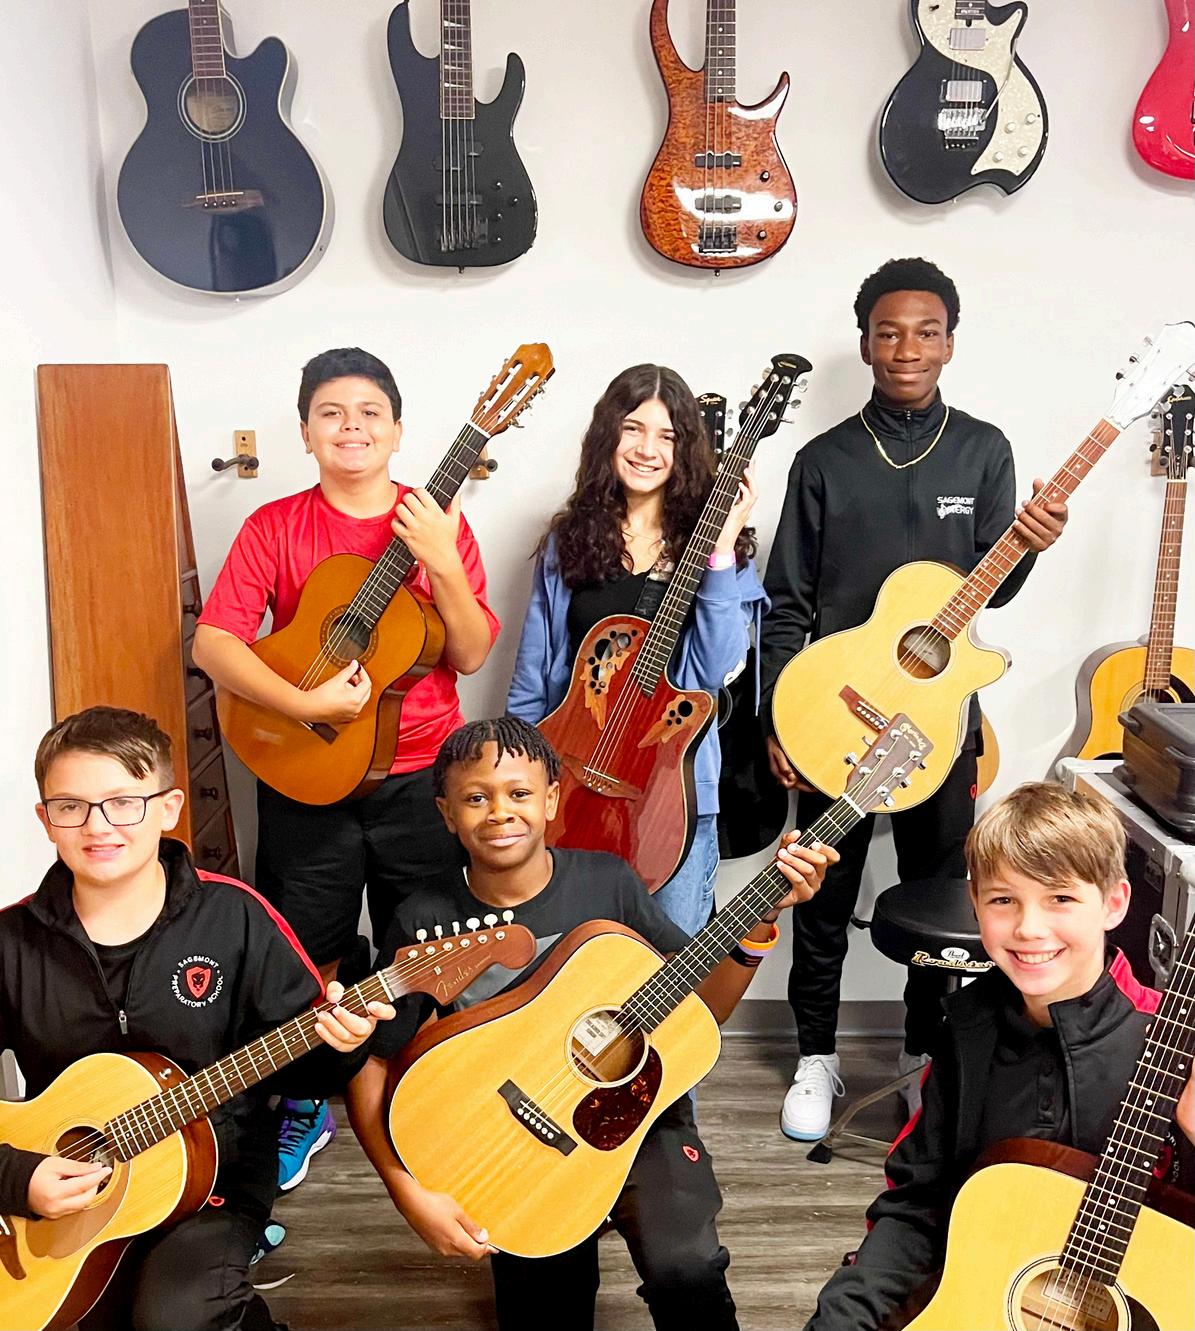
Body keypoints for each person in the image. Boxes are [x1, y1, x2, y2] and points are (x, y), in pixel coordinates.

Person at [346, 716, 837, 1331]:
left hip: (640, 1119)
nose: (500, 812)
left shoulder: (609, 883)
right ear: (446, 813)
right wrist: (406, 1191)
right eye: (475, 798)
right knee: (545, 1311)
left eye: (520, 793)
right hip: (514, 1139)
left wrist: (759, 925)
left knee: (687, 1271)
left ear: (551, 799)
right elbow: (372, 1060)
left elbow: (698, 1013)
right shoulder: (424, 917)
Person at [760, 257, 1069, 1140]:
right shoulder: (823, 460)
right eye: (888, 332)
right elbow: (786, 602)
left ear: (949, 343)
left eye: (925, 332)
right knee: (821, 891)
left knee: (941, 895)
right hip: (833, 713)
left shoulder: (982, 450)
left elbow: (990, 590)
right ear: (864, 344)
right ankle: (814, 1055)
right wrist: (780, 715)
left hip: (938, 722)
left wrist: (1031, 544)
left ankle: (918, 1056)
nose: (906, 348)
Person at [193, 345, 499, 1185]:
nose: (350, 426)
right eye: (330, 413)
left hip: (421, 779)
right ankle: (305, 1103)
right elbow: (214, 642)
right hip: (306, 776)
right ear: (304, 433)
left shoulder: (435, 521)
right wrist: (305, 705)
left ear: (397, 430)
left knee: (429, 950)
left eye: (369, 412)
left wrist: (441, 557)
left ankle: (429, 1097)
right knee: (305, 958)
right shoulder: (275, 526)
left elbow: (469, 652)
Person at [0, 706, 393, 1331]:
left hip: (215, 1179)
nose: (98, 825)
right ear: (46, 819)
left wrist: (343, 1044)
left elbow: (304, 1074)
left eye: (123, 803)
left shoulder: (235, 917)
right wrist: (16, 1176)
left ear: (169, 808)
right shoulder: (11, 941)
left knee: (176, 1317)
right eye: (71, 806)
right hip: (66, 1185)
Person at [803, 782, 1195, 1331]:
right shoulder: (967, 1030)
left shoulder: (1171, 1047)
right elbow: (917, 1205)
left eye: (1060, 898)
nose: (1029, 929)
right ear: (976, 905)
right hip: (985, 1294)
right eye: (1004, 900)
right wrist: (844, 1314)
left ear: (1114, 904)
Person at [507, 364, 765, 936]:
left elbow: (714, 670)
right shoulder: (568, 543)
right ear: (609, 435)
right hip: (570, 782)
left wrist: (721, 547)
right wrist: (518, 783)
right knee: (558, 954)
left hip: (669, 796)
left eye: (667, 436)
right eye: (633, 429)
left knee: (667, 966)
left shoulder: (721, 555)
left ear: (687, 449)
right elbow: (533, 677)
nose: (647, 449)